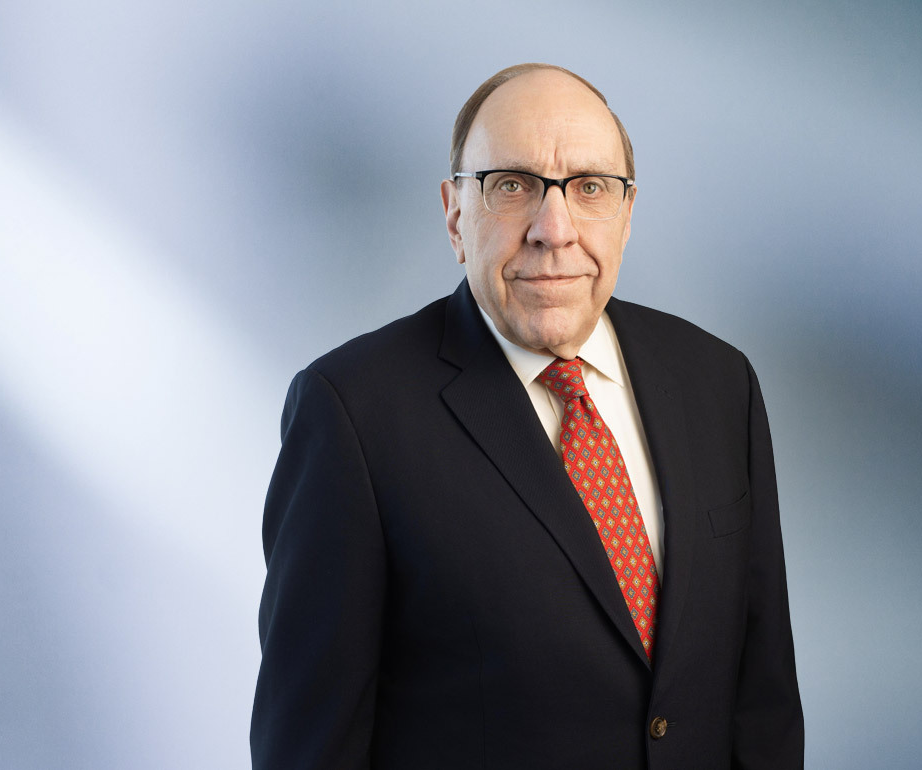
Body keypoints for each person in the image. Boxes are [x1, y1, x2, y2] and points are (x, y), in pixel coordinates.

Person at [251, 63, 803, 769]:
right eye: (512, 185)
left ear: (627, 214)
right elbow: (309, 749)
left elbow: (763, 704)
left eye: (590, 187)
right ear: (456, 214)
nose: (554, 229)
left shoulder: (719, 383)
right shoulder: (352, 414)